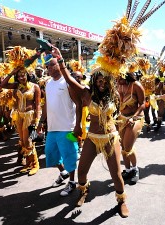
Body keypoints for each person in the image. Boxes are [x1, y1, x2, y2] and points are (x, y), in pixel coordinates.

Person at [49, 47, 128, 217]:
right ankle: (83, 191)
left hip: (110, 138)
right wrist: (61, 60)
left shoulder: (114, 95)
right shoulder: (86, 94)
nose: (101, 82)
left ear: (108, 81)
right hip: (92, 138)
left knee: (116, 174)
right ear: (93, 81)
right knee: (81, 171)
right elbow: (69, 80)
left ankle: (121, 201)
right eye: (98, 80)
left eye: (104, 80)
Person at [42, 58, 80, 197]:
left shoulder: (67, 82)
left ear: (60, 65)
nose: (49, 68)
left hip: (66, 127)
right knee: (50, 153)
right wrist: (42, 121)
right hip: (52, 127)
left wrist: (77, 125)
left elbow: (78, 104)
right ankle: (63, 172)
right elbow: (46, 103)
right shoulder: (48, 83)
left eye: (52, 65)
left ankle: (72, 182)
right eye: (47, 66)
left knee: (69, 155)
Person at [0, 66, 41, 176]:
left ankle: (35, 164)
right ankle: (28, 163)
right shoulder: (16, 86)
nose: (21, 77)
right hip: (19, 116)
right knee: (22, 142)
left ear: (27, 75)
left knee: (28, 141)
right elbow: (2, 85)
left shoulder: (35, 87)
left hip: (29, 116)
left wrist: (36, 120)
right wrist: (11, 72)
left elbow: (37, 105)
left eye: (23, 75)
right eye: (18, 76)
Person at [117, 72, 145, 185]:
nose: (117, 80)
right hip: (121, 118)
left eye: (119, 77)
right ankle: (128, 170)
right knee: (123, 146)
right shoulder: (117, 85)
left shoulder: (136, 85)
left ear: (125, 75)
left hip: (136, 118)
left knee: (128, 147)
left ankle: (135, 169)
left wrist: (134, 117)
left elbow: (143, 103)